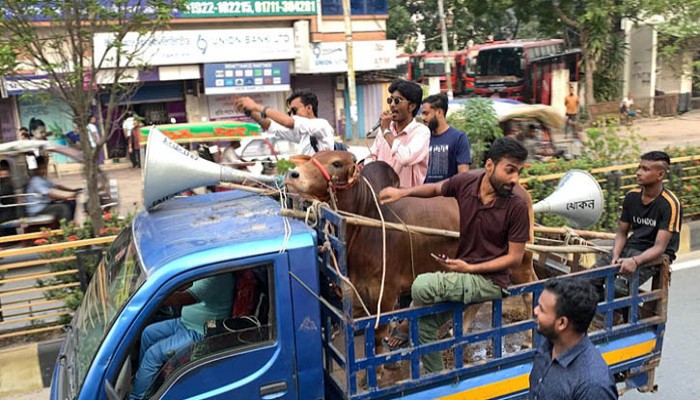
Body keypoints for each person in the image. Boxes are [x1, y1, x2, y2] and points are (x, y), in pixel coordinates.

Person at [378, 137, 531, 373]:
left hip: (491, 282)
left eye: (518, 172)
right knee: (426, 327)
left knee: (420, 286)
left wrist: (469, 268)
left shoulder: (517, 207)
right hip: (464, 275)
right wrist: (401, 194)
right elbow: (436, 189)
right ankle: (438, 379)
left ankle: (406, 322)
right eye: (509, 170)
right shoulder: (467, 183)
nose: (515, 179)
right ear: (489, 165)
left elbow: (514, 259)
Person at [129, 274, 235, 400]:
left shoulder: (217, 277)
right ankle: (148, 383)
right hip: (184, 322)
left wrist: (149, 295)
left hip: (200, 331)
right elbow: (186, 285)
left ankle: (137, 397)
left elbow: (180, 299)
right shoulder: (206, 269)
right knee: (148, 333)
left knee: (153, 354)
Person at [595, 151, 681, 299]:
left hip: (655, 256)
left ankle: (622, 316)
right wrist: (615, 255)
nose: (638, 173)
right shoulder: (631, 197)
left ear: (660, 175)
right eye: (639, 168)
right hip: (630, 247)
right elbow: (622, 233)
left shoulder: (670, 204)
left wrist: (635, 261)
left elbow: (659, 247)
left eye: (645, 169)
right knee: (586, 280)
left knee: (618, 289)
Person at [530, 277, 618, 399]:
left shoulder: (592, 385)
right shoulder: (548, 345)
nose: (535, 311)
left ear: (562, 323)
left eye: (542, 309)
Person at [234, 90, 335, 156]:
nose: (292, 115)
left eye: (294, 110)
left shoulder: (321, 125)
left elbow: (288, 122)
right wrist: (249, 111)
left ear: (309, 108)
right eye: (289, 112)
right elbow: (270, 125)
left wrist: (256, 106)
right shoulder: (303, 133)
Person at [370, 79, 431, 187]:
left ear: (411, 106)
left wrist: (386, 131)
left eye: (397, 101)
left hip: (407, 200)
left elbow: (406, 158)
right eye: (390, 100)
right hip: (381, 196)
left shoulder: (421, 132)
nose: (392, 105)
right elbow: (372, 156)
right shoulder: (385, 130)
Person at [421, 93, 471, 183]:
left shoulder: (459, 138)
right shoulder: (423, 138)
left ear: (439, 112)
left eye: (426, 113)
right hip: (424, 195)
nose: (423, 118)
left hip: (448, 195)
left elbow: (463, 176)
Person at [25, 155, 81, 223]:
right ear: (37, 168)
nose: (44, 170)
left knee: (71, 202)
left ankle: (70, 223)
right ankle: (66, 228)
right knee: (62, 208)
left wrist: (73, 190)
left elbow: (56, 186)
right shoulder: (35, 181)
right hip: (38, 209)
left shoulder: (43, 179)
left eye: (45, 168)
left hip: (45, 205)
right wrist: (66, 197)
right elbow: (49, 194)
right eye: (42, 168)